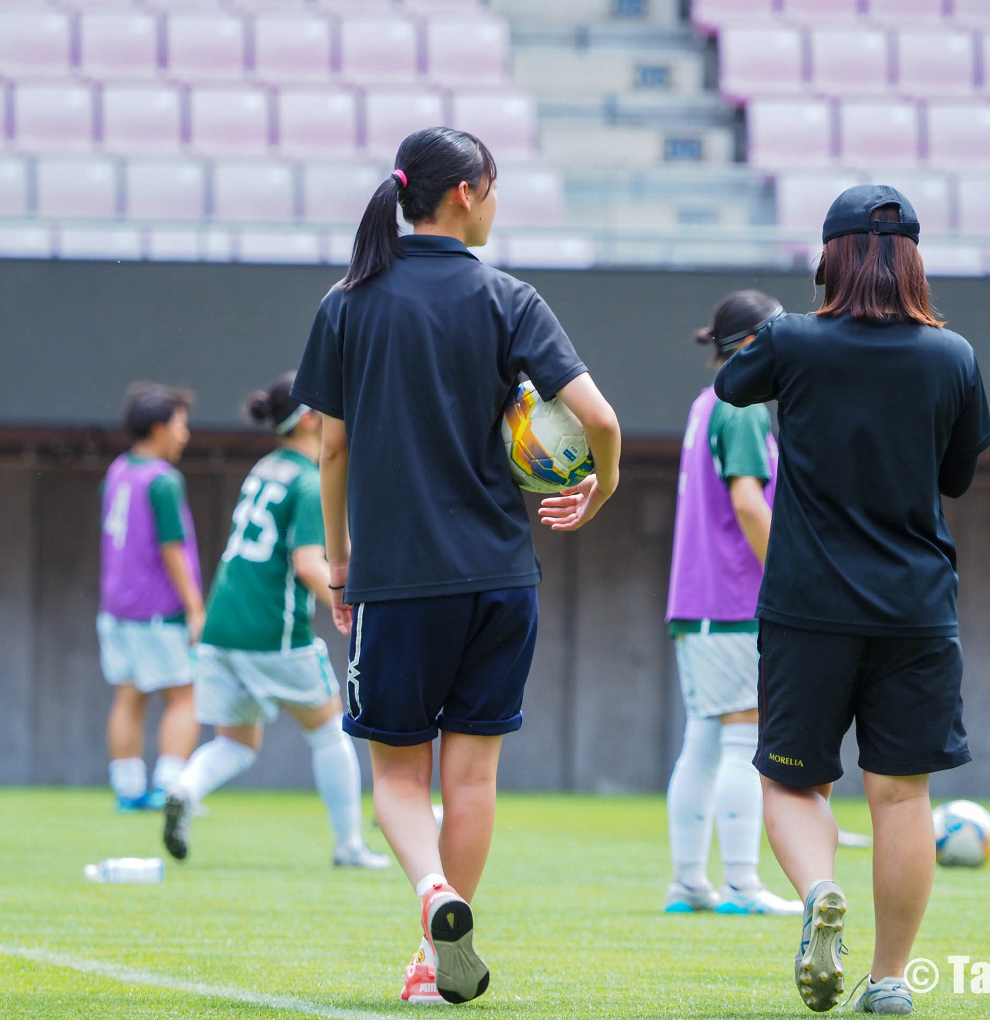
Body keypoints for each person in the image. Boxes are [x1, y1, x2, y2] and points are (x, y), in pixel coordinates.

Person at [291, 127, 621, 1005]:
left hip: (400, 582)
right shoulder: (508, 296)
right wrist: (602, 485)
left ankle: (434, 895)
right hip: (502, 579)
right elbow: (602, 422)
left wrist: (337, 563)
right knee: (472, 775)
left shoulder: (347, 302)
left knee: (399, 777)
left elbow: (331, 450)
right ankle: (436, 961)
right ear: (469, 191)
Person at [715, 185, 990, 1016]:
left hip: (809, 607)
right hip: (915, 609)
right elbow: (957, 477)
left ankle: (816, 895)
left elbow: (733, 382)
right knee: (904, 796)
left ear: (830, 257)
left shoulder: (795, 343)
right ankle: (890, 980)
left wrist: (800, 325)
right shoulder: (954, 356)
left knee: (792, 784)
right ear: (913, 258)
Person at [161, 372, 389, 871]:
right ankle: (349, 846)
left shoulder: (267, 468)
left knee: (237, 742)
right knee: (330, 731)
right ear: (311, 419)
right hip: (273, 630)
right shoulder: (310, 480)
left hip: (223, 626)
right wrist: (350, 600)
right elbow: (309, 563)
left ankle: (182, 787)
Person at [663, 290, 800, 918]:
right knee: (743, 735)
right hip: (734, 601)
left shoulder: (705, 403)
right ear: (751, 344)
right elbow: (748, 502)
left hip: (697, 604)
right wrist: (790, 577)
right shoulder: (743, 407)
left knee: (703, 737)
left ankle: (690, 881)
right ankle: (742, 883)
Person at [98, 383, 205, 812]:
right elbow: (172, 548)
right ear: (160, 427)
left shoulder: (119, 469)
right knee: (185, 696)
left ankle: (127, 789)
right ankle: (169, 789)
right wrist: (195, 608)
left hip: (115, 609)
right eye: (181, 425)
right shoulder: (163, 480)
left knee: (129, 696)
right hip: (157, 612)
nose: (185, 434)